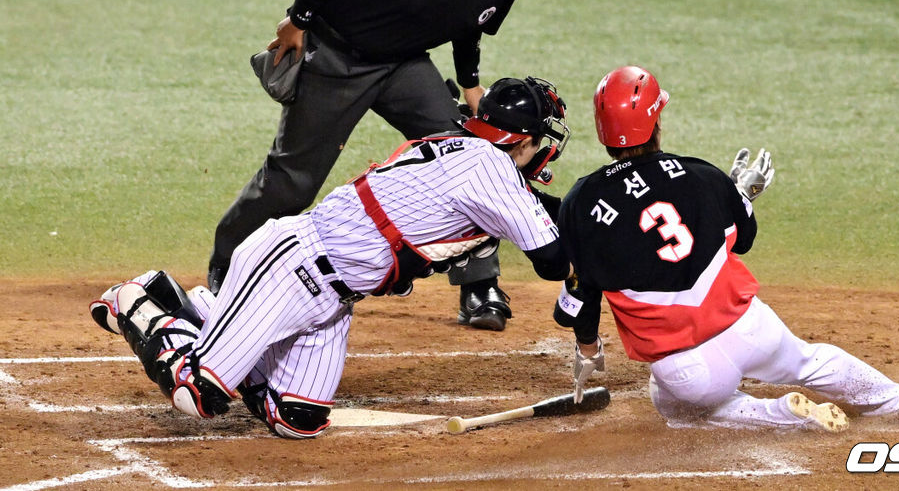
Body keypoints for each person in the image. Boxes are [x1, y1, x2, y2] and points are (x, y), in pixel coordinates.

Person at [90, 77, 572, 438]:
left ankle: (213, 317)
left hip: (332, 300)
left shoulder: (464, 151)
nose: (545, 149)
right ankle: (144, 300)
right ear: (523, 140)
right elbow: (551, 259)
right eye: (541, 138)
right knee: (198, 394)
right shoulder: (491, 169)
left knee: (297, 419)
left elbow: (540, 209)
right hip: (288, 266)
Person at [209, 0, 547, 331]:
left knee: (471, 157)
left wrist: (471, 85)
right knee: (292, 180)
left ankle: (479, 283)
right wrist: (298, 19)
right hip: (339, 56)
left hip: (404, 64)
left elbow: (468, 21)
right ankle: (228, 263)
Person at [555, 65, 899, 431]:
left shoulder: (580, 203)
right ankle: (898, 401)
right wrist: (740, 197)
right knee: (809, 361)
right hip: (751, 330)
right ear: (656, 121)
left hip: (687, 370)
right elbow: (744, 240)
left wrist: (588, 347)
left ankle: (783, 415)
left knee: (674, 407)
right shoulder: (701, 174)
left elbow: (581, 292)